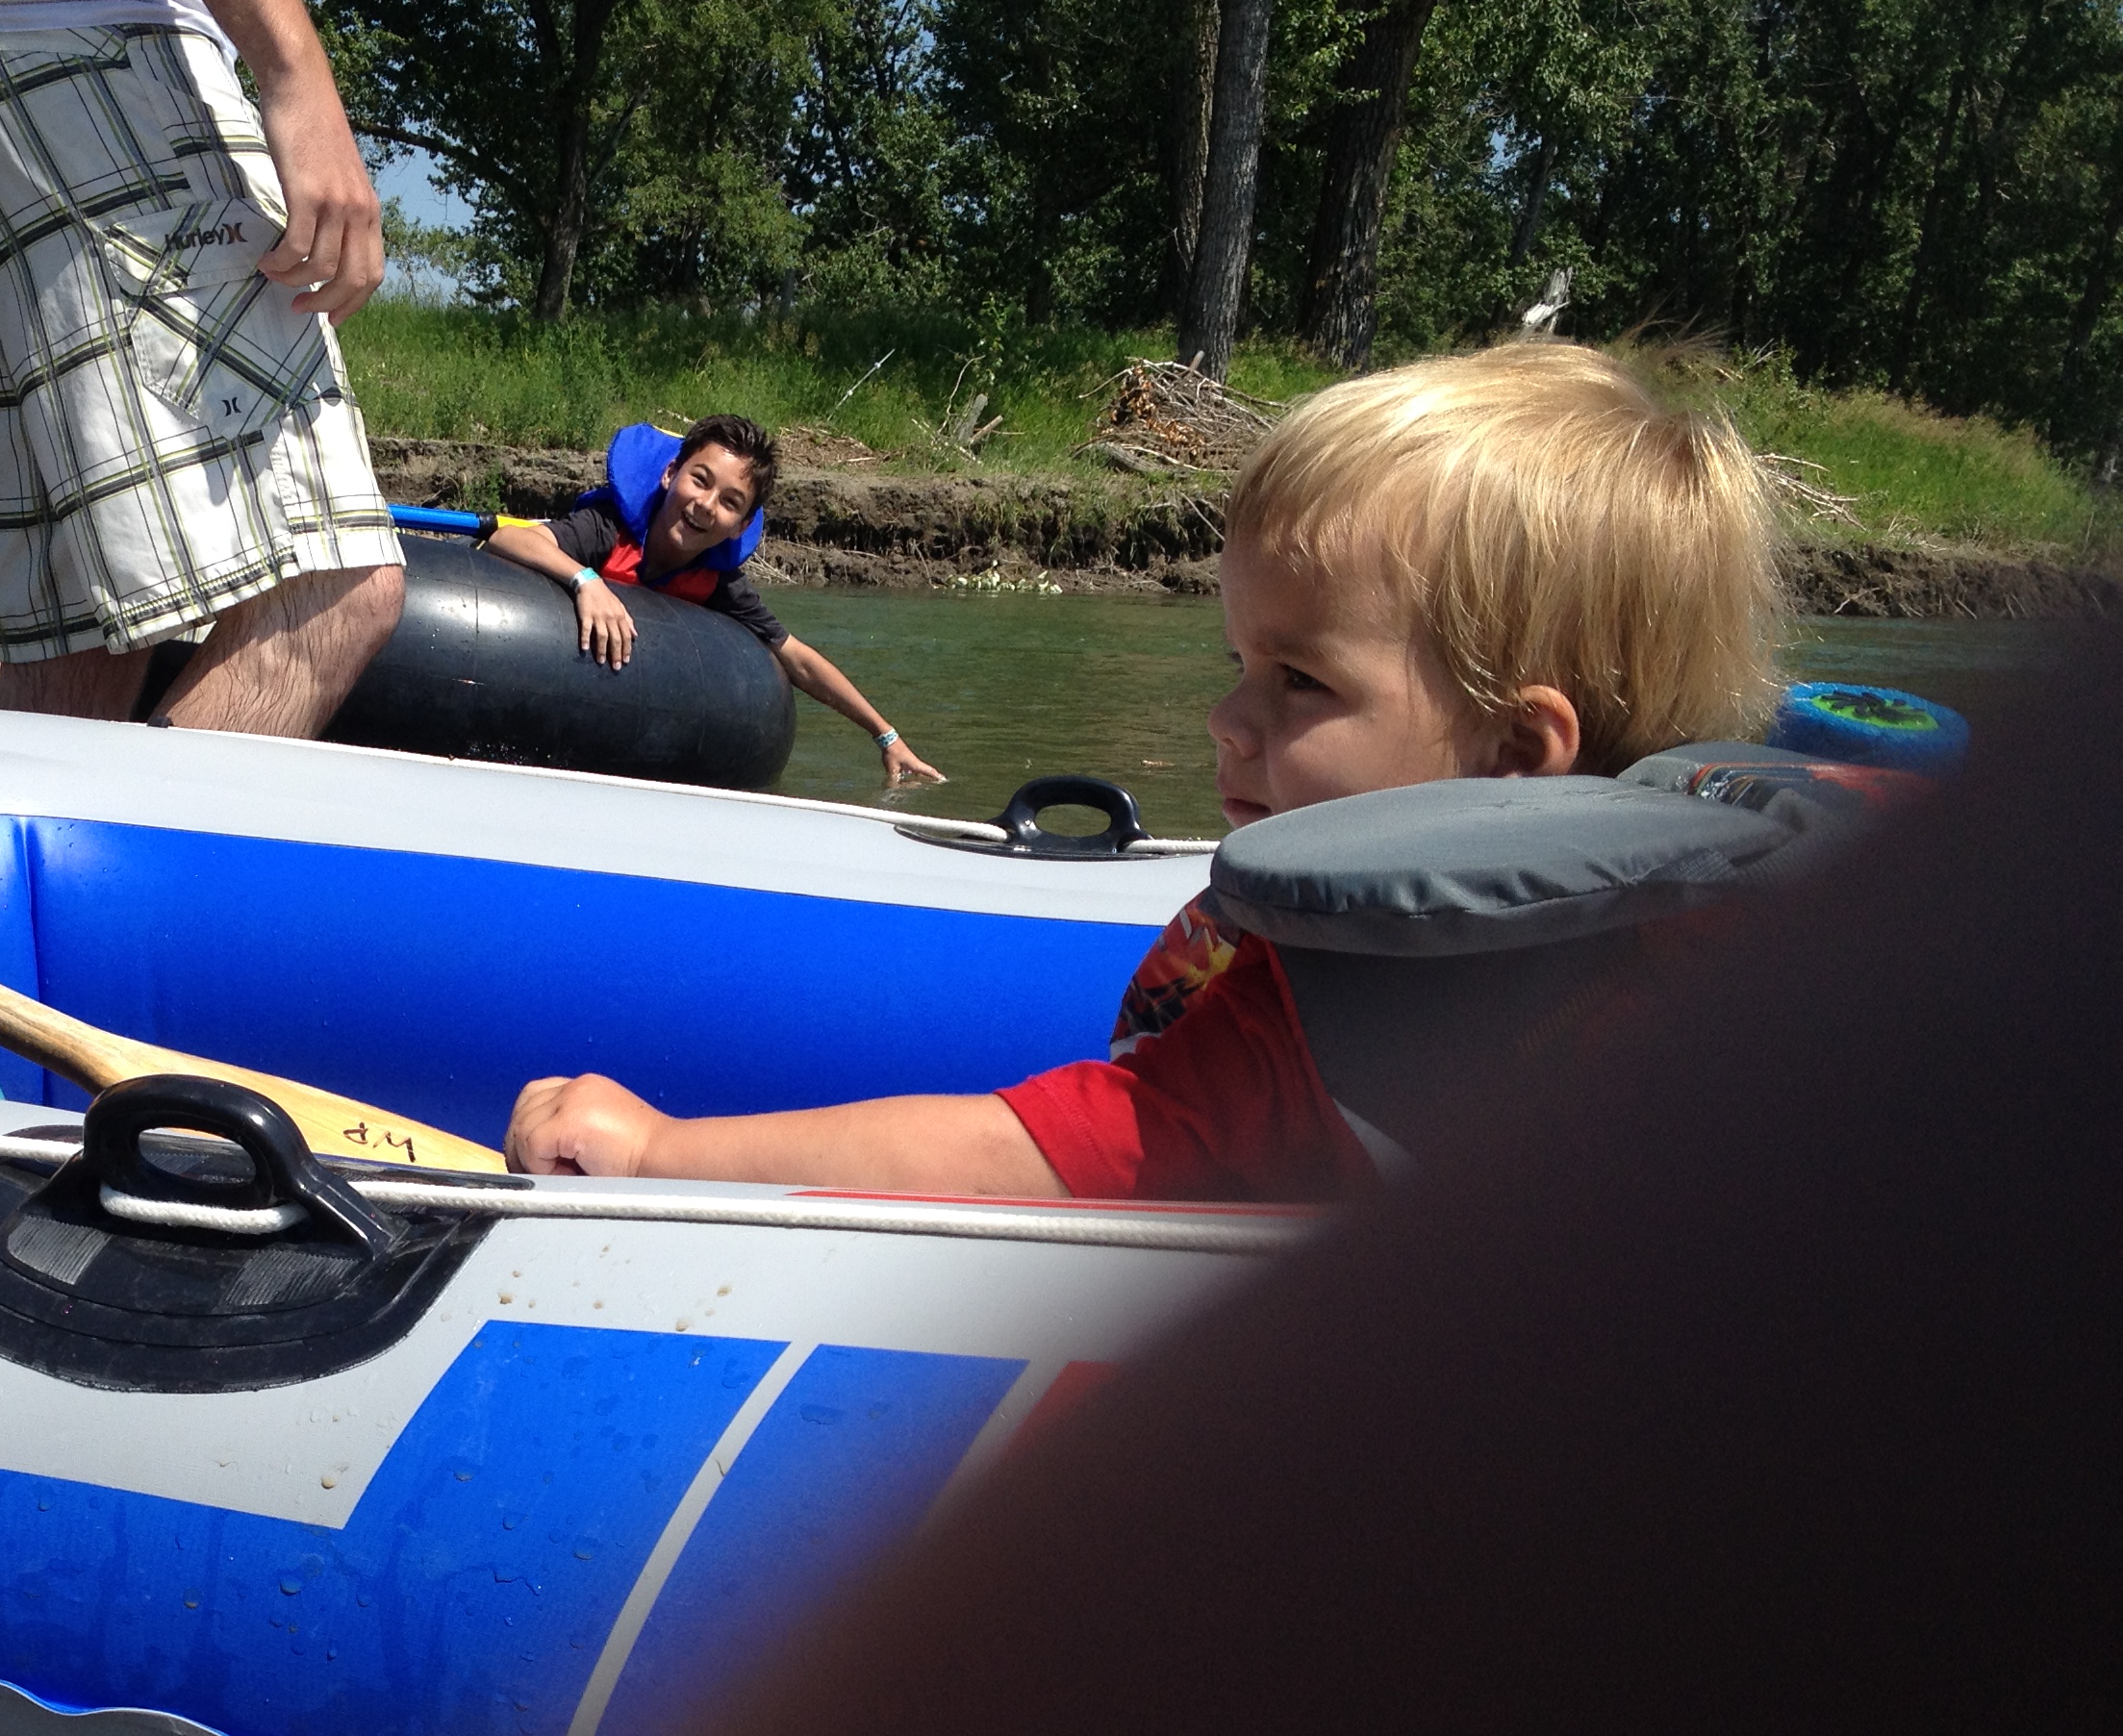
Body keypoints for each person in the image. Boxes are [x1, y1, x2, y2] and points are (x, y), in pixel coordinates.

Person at [503, 342, 1783, 1201]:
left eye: (1300, 681)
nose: (1226, 719)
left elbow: (1057, 1151)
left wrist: (657, 1150)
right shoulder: (1718, 964)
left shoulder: (1342, 1026)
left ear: (1513, 760)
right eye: (1240, 662)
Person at [0, 0, 406, 735]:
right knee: (327, 594)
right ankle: (133, 823)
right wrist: (299, 79)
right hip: (98, 53)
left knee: (80, 640)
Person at [485, 414, 947, 788]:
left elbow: (798, 660)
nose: (706, 505)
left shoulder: (719, 583)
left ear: (741, 525)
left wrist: (886, 736)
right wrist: (586, 581)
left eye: (730, 502)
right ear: (670, 474)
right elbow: (508, 539)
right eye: (700, 480)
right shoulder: (606, 528)